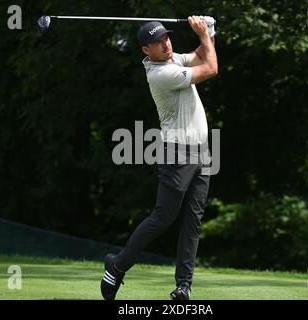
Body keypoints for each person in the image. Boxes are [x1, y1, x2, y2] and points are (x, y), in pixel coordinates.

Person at [101, 15, 218, 300]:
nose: (165, 44)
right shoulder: (160, 74)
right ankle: (117, 266)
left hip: (201, 150)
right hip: (178, 152)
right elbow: (211, 67)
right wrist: (203, 34)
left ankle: (183, 287)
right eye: (157, 41)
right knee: (163, 216)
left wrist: (210, 31)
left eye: (166, 37)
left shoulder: (173, 60)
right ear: (146, 50)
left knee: (193, 220)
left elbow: (200, 53)